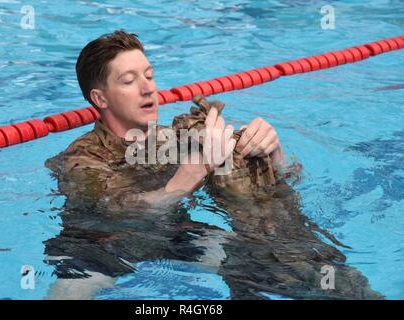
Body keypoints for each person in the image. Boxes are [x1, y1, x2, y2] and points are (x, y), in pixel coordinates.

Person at [43, 30, 381, 299]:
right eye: (129, 81)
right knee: (67, 295)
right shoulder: (79, 159)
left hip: (174, 238)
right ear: (100, 99)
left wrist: (272, 152)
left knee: (284, 267)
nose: (148, 89)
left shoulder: (174, 138)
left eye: (149, 75)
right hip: (95, 248)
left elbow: (288, 179)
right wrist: (190, 175)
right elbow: (121, 210)